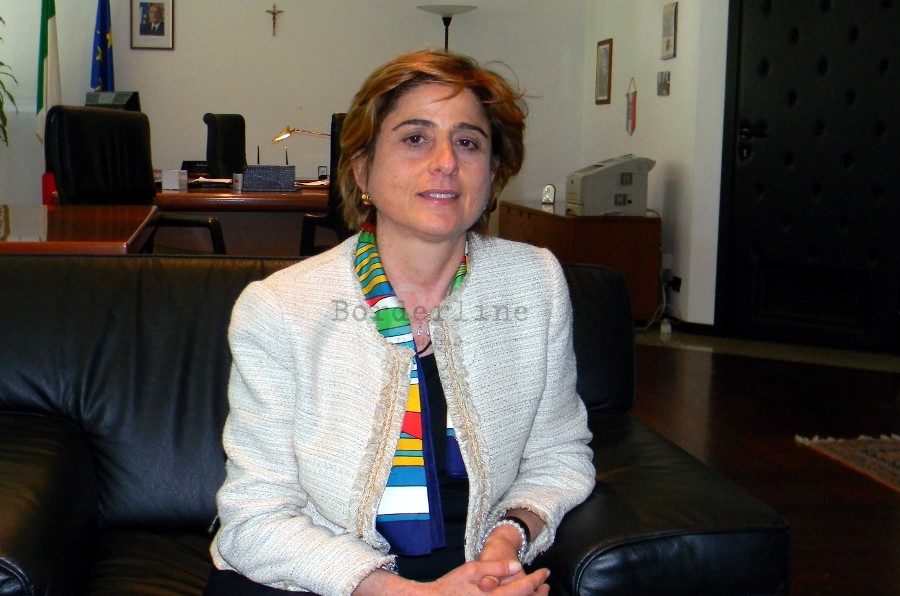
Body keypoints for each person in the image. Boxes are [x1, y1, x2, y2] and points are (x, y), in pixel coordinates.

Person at [206, 49, 595, 595]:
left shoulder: (536, 284)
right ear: (362, 168)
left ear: (492, 173)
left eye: (468, 142)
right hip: (317, 579)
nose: (446, 162)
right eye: (415, 138)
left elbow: (559, 456)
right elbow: (254, 519)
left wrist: (507, 545)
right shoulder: (279, 308)